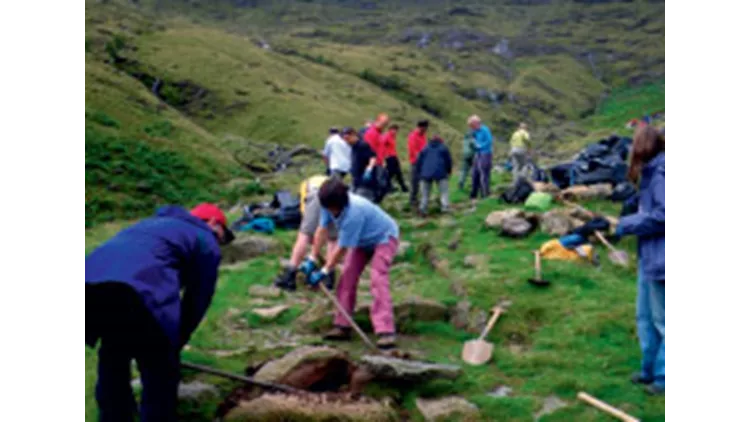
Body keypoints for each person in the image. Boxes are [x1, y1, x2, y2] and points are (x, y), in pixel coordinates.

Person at [84, 203, 235, 422]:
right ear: (213, 222)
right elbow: (198, 298)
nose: (221, 242)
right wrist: (175, 343)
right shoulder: (205, 238)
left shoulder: (151, 225)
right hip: (138, 290)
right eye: (223, 235)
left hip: (91, 285)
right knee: (159, 371)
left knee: (113, 354)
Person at [307, 178, 400, 349]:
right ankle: (342, 325)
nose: (328, 210)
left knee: (377, 278)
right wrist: (312, 257)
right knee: (347, 276)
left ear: (340, 203)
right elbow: (321, 230)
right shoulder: (327, 203)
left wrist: (325, 270)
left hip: (384, 237)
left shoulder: (354, 213)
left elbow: (342, 248)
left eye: (331, 207)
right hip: (362, 241)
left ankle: (385, 331)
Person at [613, 125, 666, 396]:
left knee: (661, 320)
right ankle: (648, 370)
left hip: (662, 258)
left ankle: (663, 377)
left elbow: (662, 215)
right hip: (649, 255)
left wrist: (628, 223)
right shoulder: (650, 171)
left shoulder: (661, 173)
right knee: (644, 316)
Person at [273, 174, 339, 291]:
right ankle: (329, 277)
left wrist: (311, 237)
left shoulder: (305, 186)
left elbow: (305, 214)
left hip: (317, 195)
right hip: (336, 197)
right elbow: (323, 227)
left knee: (304, 235)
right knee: (332, 239)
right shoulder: (328, 181)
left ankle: (290, 275)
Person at [415, 135, 453, 216]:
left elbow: (419, 161)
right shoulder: (443, 148)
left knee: (425, 194)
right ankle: (445, 207)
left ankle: (423, 209)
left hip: (425, 173)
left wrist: (419, 172)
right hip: (440, 173)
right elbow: (448, 161)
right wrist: (449, 171)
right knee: (444, 192)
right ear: (440, 141)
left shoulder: (425, 148)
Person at [345, 126, 383, 203]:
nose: (347, 141)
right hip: (356, 182)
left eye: (348, 139)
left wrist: (369, 170)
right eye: (345, 140)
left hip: (365, 184)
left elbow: (372, 158)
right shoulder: (353, 147)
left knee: (361, 203)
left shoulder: (363, 145)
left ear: (353, 135)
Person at [467, 115, 494, 202]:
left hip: (485, 153)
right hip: (478, 153)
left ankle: (485, 194)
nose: (471, 127)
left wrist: (480, 146)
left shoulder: (485, 130)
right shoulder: (475, 131)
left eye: (472, 125)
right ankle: (473, 194)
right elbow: (473, 139)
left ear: (476, 123)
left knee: (484, 174)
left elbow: (489, 141)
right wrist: (474, 143)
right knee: (475, 173)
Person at [407, 120, 429, 206]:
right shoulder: (413, 136)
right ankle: (412, 200)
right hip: (415, 163)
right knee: (414, 182)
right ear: (421, 127)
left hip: (423, 163)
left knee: (422, 182)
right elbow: (413, 150)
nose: (426, 130)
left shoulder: (423, 136)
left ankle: (419, 199)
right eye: (425, 128)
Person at [382, 124, 409, 193]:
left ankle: (403, 187)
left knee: (398, 172)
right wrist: (385, 155)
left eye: (396, 130)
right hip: (389, 157)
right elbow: (381, 145)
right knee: (390, 174)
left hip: (393, 156)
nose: (395, 131)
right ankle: (388, 188)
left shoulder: (393, 137)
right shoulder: (386, 136)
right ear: (390, 129)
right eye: (394, 129)